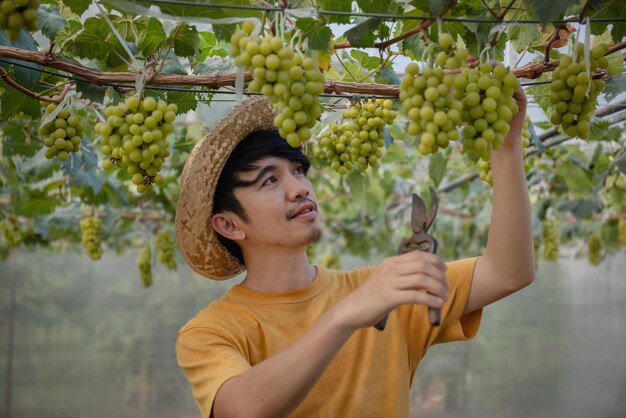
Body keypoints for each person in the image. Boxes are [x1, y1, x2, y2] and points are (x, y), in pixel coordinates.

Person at [175, 94, 534, 418]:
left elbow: (507, 273)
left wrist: (506, 148)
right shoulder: (211, 332)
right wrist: (343, 316)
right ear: (230, 225)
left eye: (298, 170)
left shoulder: (383, 293)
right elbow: (240, 410)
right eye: (270, 180)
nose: (300, 188)